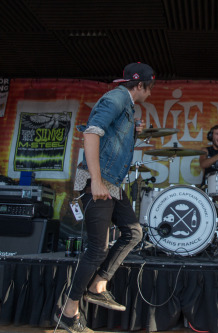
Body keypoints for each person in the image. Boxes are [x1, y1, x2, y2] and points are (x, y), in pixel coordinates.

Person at [55, 62, 155, 333]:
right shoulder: (116, 97)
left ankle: (98, 285)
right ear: (141, 85)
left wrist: (134, 130)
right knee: (97, 248)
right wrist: (96, 180)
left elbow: (111, 137)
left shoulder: (126, 104)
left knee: (133, 232)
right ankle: (68, 313)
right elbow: (91, 133)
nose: (150, 93)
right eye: (150, 87)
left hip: (110, 182)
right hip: (97, 180)